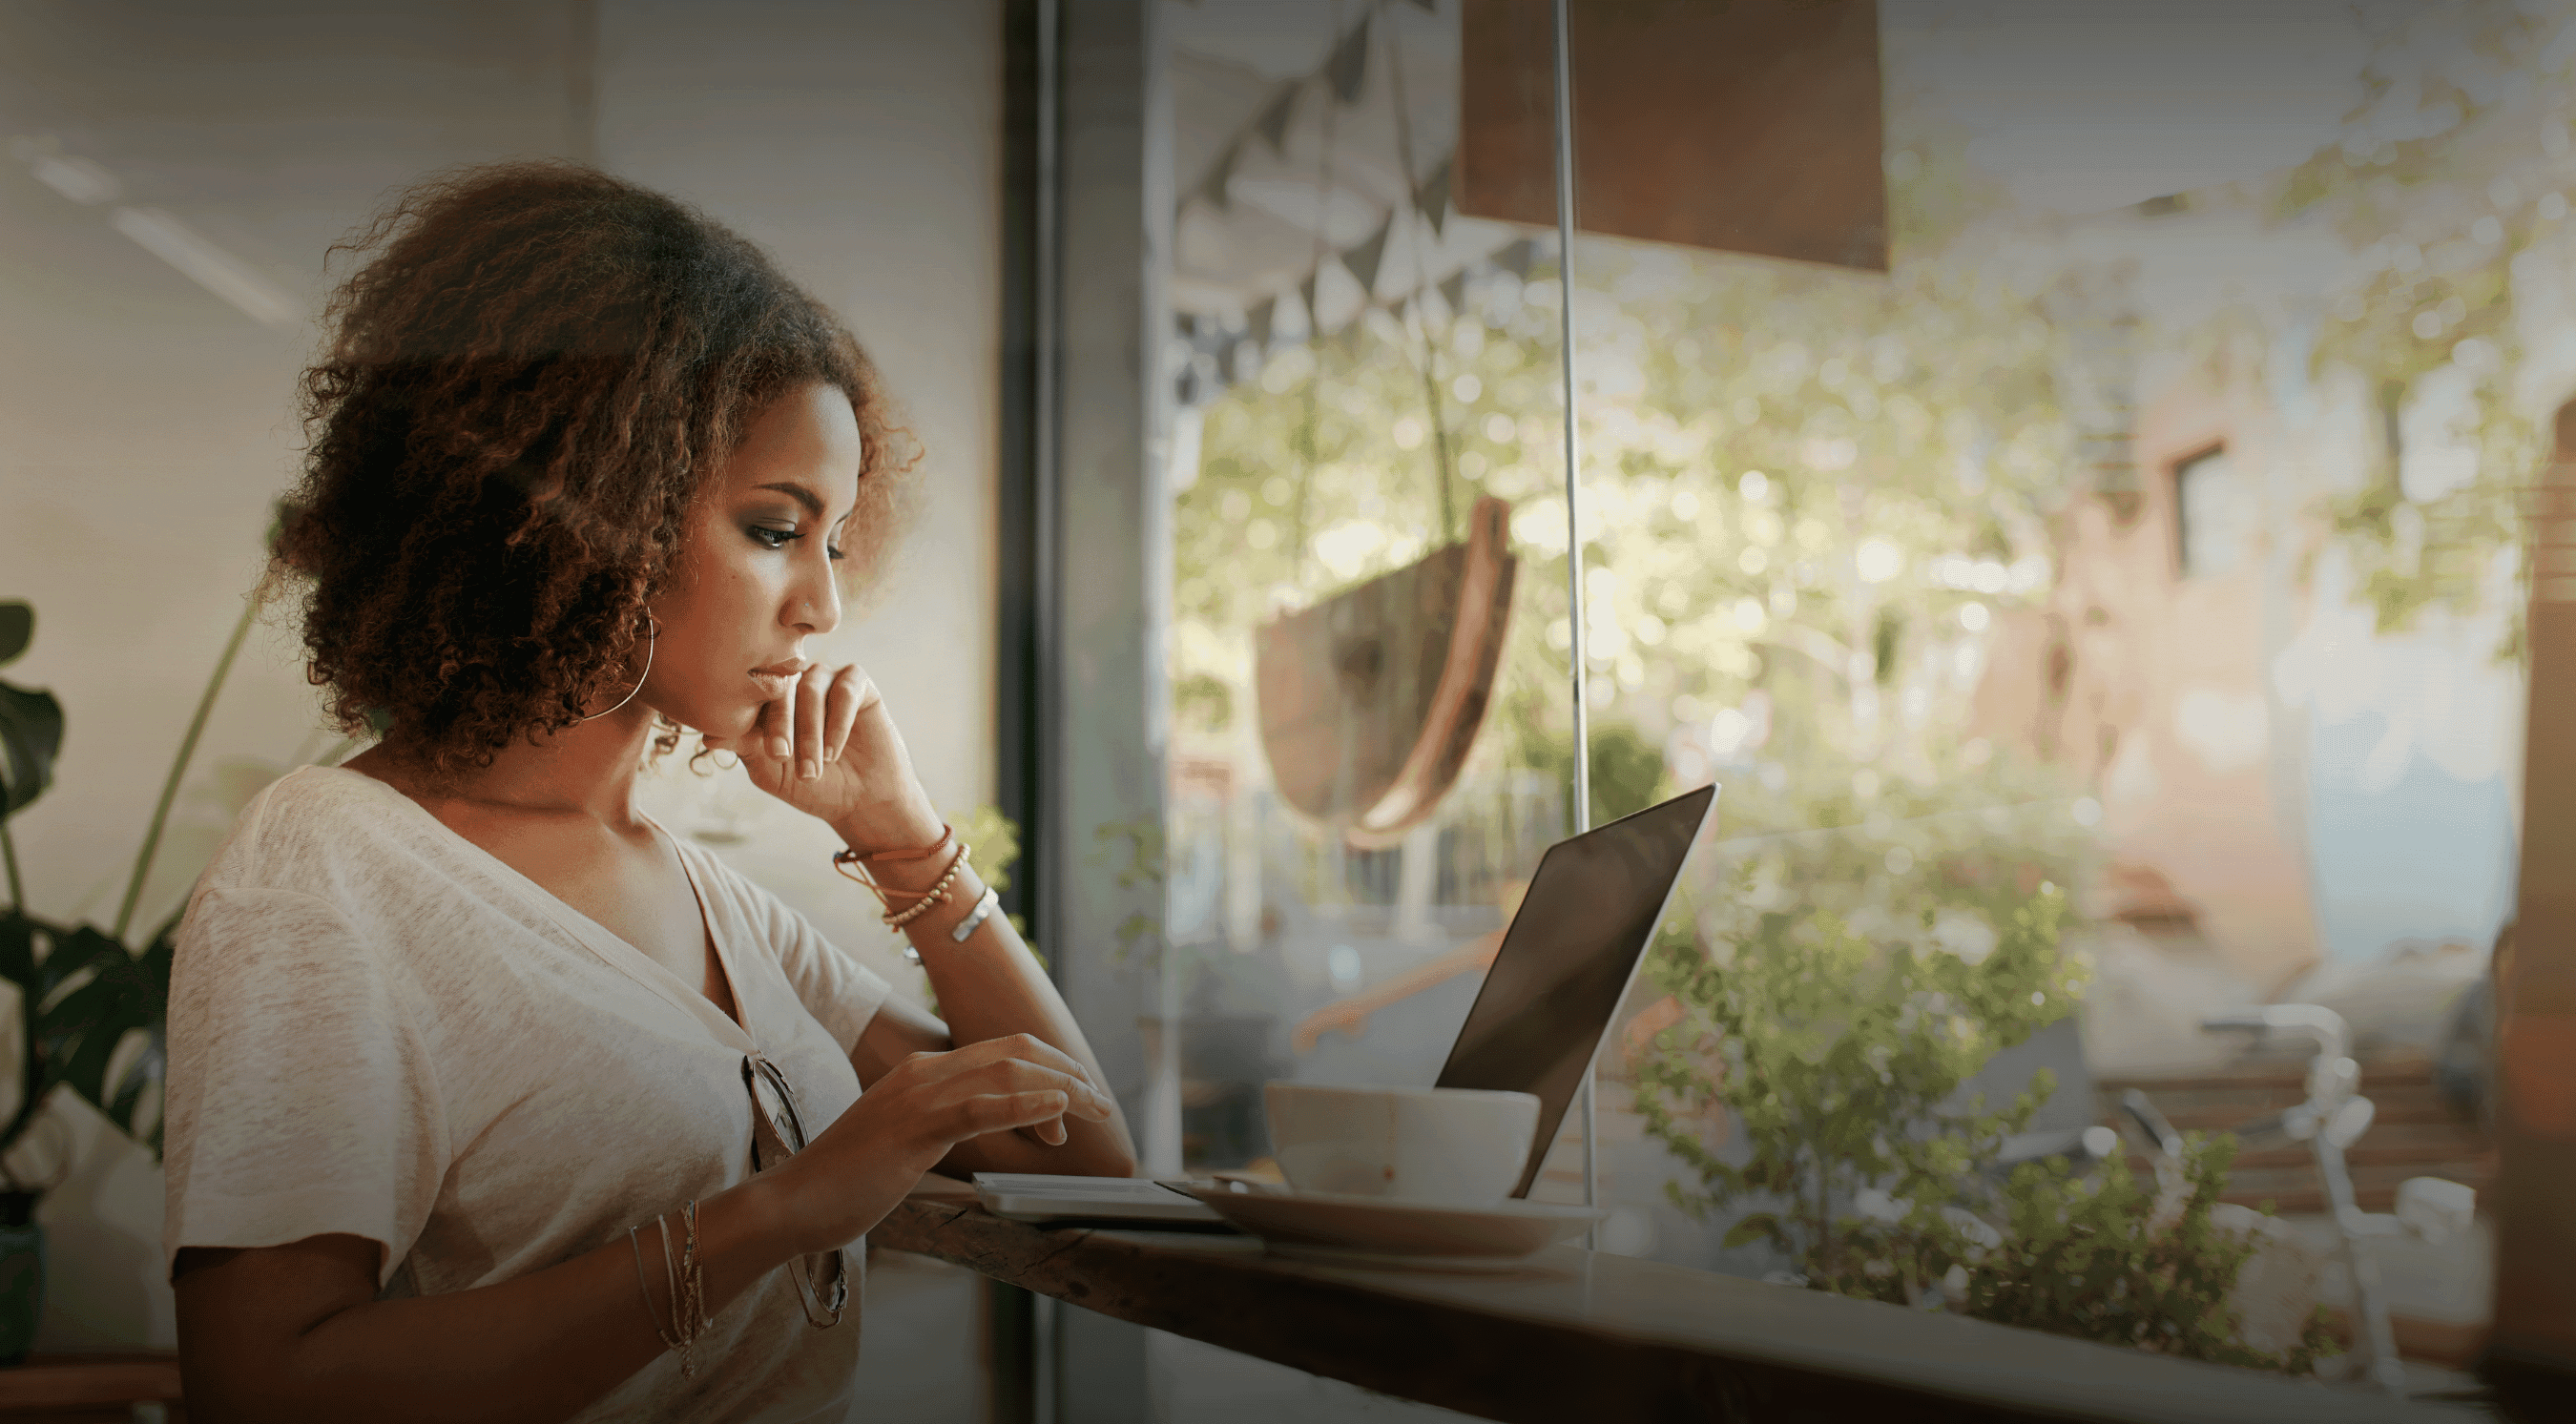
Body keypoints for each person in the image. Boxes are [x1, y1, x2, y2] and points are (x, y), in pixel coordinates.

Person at [161, 162, 1135, 1424]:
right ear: (595, 511)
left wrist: (900, 837)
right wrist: (783, 1210)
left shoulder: (713, 902)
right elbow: (263, 1388)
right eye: (778, 529)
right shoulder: (331, 865)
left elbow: (1085, 1161)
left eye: (836, 542)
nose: (825, 606)